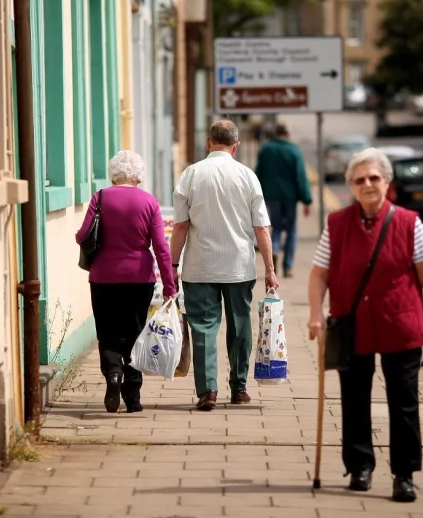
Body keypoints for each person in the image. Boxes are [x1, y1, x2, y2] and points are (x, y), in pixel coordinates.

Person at [306, 147, 423, 502]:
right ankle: (360, 467)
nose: (368, 184)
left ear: (386, 181)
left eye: (374, 178)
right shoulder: (337, 224)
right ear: (351, 186)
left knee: (403, 402)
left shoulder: (408, 222)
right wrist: (314, 313)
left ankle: (404, 474)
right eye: (360, 180)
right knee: (354, 400)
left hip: (400, 324)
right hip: (351, 324)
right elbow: (318, 274)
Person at [170, 119, 279, 411]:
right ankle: (239, 387)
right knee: (240, 325)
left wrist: (173, 263)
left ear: (209, 143)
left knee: (203, 327)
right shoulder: (247, 176)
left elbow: (180, 226)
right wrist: (269, 268)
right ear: (236, 146)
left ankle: (207, 390)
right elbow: (262, 229)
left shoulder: (190, 175)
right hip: (239, 266)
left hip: (199, 266)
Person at [75, 150, 176, 414]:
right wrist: (169, 286)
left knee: (107, 333)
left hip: (103, 277)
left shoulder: (100, 198)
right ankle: (133, 397)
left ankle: (112, 376)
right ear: (139, 176)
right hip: (139, 278)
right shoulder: (149, 202)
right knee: (135, 333)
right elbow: (161, 249)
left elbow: (83, 235)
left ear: (114, 174)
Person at [254, 123, 313, 278]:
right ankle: (288, 267)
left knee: (277, 227)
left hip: (272, 197)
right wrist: (307, 200)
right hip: (290, 198)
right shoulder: (293, 150)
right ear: (287, 134)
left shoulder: (266, 150)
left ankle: (275, 250)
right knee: (291, 230)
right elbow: (301, 177)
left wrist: (258, 196)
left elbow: (259, 173)